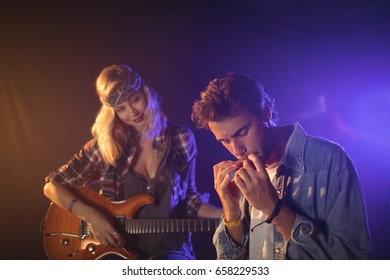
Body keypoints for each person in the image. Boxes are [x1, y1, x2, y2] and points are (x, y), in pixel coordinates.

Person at [43, 64, 222, 260]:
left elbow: (189, 200)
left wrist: (226, 215)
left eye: (135, 100)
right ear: (112, 112)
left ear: (146, 94)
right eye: (121, 109)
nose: (132, 112)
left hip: (170, 248)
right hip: (116, 252)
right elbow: (52, 187)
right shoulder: (105, 146)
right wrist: (92, 217)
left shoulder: (180, 138)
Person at [191, 72, 371, 259]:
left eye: (242, 132)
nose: (237, 150)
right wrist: (232, 212)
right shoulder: (241, 175)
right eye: (225, 141)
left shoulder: (328, 160)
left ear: (265, 112)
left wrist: (273, 208)